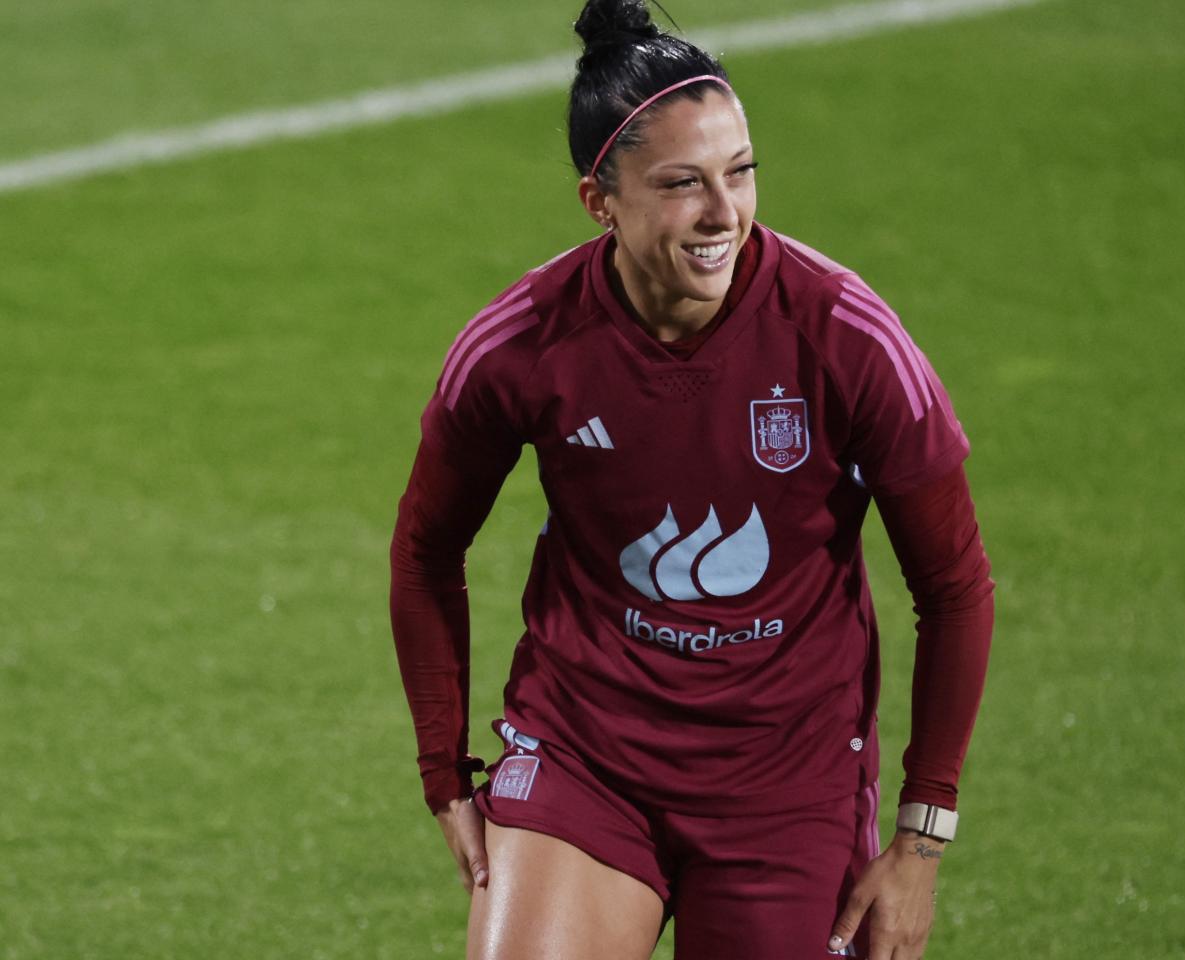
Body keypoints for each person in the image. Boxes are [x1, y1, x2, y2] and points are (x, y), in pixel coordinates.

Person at [388, 1, 994, 957]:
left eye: (741, 172)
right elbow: (427, 548)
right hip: (588, 756)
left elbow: (953, 585)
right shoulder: (521, 347)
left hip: (786, 782)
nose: (725, 214)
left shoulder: (844, 335)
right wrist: (442, 770)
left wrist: (924, 834)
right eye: (683, 184)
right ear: (601, 201)